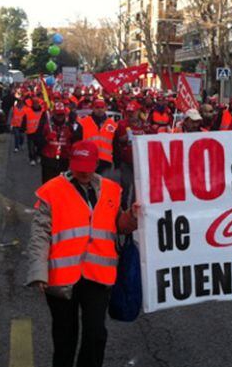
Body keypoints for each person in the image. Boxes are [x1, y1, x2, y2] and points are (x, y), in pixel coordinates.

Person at [27, 140, 138, 367]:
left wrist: (133, 216)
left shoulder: (110, 190)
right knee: (65, 339)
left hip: (97, 275)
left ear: (96, 163)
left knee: (96, 335)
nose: (84, 172)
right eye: (79, 166)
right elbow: (39, 234)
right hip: (61, 278)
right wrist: (38, 272)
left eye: (89, 166)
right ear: (70, 163)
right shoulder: (52, 191)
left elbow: (120, 225)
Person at [113, 101, 153, 208]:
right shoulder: (122, 124)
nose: (130, 114)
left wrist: (146, 126)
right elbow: (120, 139)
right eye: (129, 112)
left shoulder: (145, 124)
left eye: (133, 112)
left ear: (139, 112)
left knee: (138, 187)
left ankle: (134, 208)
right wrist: (127, 136)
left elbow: (152, 136)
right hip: (127, 161)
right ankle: (123, 205)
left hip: (140, 161)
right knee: (126, 184)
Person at [73, 99, 118, 174]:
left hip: (106, 162)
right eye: (97, 107)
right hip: (88, 160)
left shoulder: (113, 125)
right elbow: (77, 142)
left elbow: (116, 145)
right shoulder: (83, 123)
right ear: (93, 108)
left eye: (102, 107)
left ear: (105, 108)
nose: (99, 110)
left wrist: (117, 162)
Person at [40, 102, 74, 184]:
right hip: (48, 159)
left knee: (63, 184)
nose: (60, 117)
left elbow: (75, 140)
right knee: (48, 183)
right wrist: (46, 138)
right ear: (53, 114)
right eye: (58, 114)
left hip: (64, 159)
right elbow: (37, 140)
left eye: (62, 114)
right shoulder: (46, 123)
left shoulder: (70, 124)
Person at [25, 99, 44, 166]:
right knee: (31, 147)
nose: (36, 105)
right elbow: (24, 120)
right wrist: (22, 128)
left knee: (40, 145)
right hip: (30, 132)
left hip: (40, 132)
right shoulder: (28, 111)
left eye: (37, 103)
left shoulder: (43, 111)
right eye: (34, 103)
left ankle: (37, 155)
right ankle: (32, 159)